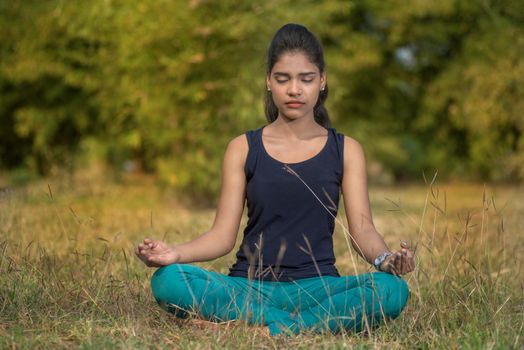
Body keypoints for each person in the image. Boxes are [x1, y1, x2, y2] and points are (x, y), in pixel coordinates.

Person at [135, 23, 415, 337]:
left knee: (391, 291)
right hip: (249, 287)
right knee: (168, 280)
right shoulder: (242, 148)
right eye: (283, 79)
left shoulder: (346, 150)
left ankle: (267, 325)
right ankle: (299, 323)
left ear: (322, 81)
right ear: (269, 82)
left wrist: (386, 260)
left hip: (319, 287)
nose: (294, 90)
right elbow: (222, 236)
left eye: (306, 79)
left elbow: (363, 230)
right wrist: (174, 254)